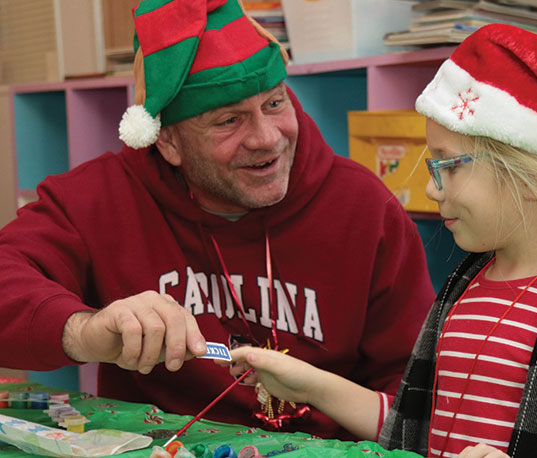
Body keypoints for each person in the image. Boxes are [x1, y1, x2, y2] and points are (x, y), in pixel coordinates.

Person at [224, 23, 537, 457]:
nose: (430, 189)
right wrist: (306, 383)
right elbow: (413, 428)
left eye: (449, 164)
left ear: (531, 176)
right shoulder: (466, 289)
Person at [0, 0, 435, 439]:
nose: (267, 139)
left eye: (275, 103)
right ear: (167, 141)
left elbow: (413, 384)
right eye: (229, 120)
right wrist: (86, 332)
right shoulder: (100, 198)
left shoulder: (365, 208)